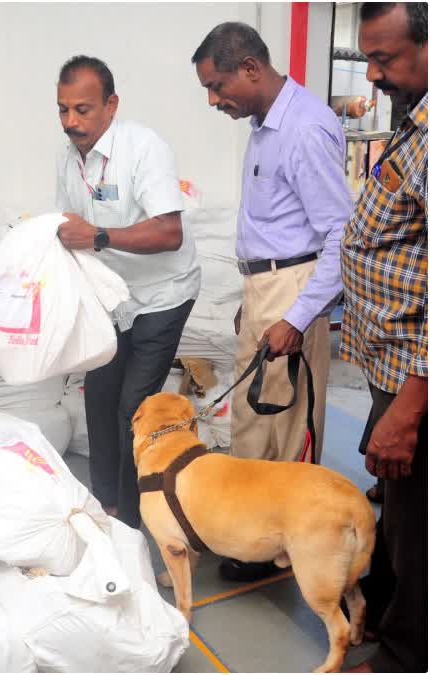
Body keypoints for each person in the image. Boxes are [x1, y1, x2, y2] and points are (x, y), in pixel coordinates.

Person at [191, 22, 352, 582]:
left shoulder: (306, 129)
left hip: (293, 290)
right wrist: (253, 295)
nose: (214, 100)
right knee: (253, 422)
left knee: (284, 421)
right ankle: (254, 534)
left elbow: (339, 235)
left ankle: (284, 545)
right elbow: (274, 223)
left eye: (217, 86)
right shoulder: (266, 125)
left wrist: (296, 315)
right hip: (267, 287)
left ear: (251, 69)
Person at [54, 55, 200, 529]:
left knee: (131, 411)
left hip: (162, 296)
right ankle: (106, 506)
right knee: (97, 399)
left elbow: (168, 233)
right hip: (113, 297)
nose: (71, 122)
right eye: (63, 110)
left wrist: (98, 236)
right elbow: (67, 228)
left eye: (83, 109)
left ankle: (133, 524)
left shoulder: (144, 149)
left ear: (111, 105)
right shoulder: (68, 159)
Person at [340, 3, 427, 672]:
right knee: (396, 516)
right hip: (389, 365)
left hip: (415, 377)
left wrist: (411, 401)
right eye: (367, 58)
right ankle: (383, 613)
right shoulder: (414, 119)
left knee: (418, 528)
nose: (371, 73)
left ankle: (405, 655)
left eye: (385, 58)